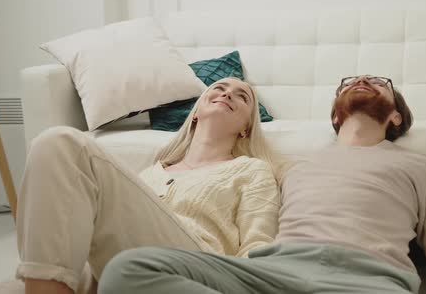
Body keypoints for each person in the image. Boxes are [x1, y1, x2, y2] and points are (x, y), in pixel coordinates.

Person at [98, 75, 426, 294]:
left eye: (378, 81)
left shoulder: (420, 169)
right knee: (126, 269)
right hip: (274, 275)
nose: (364, 80)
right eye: (351, 81)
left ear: (398, 118)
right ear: (335, 115)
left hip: (366, 282)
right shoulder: (291, 169)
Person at [16, 77, 281, 294]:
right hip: (125, 269)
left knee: (61, 142)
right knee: (50, 145)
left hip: (200, 270)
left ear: (247, 127)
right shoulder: (152, 172)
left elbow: (258, 249)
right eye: (218, 89)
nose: (227, 94)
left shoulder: (252, 169)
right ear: (197, 111)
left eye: (241, 96)